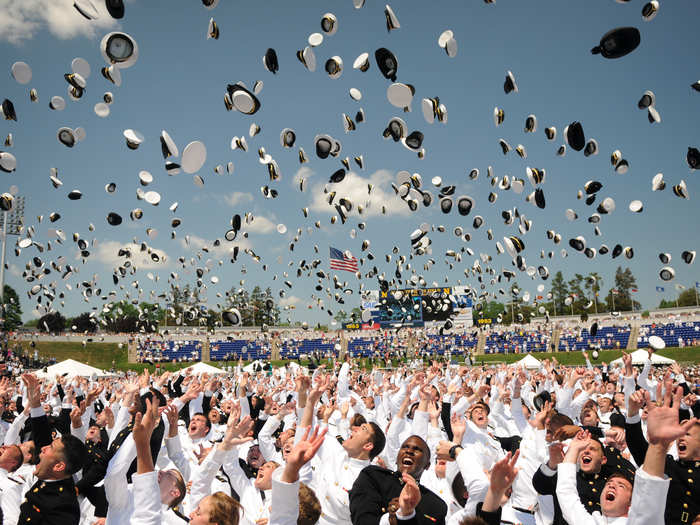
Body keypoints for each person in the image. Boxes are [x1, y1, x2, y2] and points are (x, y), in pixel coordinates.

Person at [349, 435, 447, 525]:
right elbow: (362, 520)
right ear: (396, 459)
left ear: (427, 465)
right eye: (405, 447)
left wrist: (408, 515)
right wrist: (394, 517)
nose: (409, 451)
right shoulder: (373, 477)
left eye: (417, 449)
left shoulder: (436, 506)